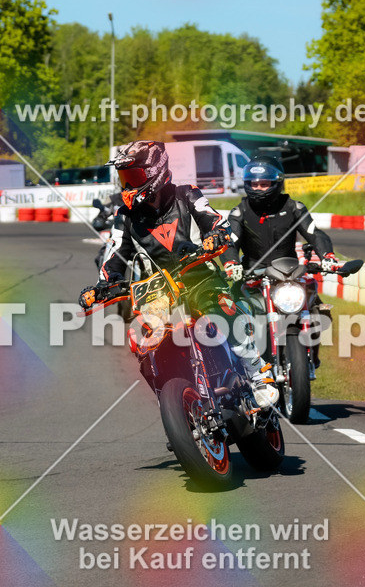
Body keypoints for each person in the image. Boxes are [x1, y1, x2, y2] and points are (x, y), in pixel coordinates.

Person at [79, 140, 278, 408]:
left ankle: (257, 374)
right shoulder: (124, 216)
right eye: (124, 178)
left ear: (155, 173)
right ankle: (174, 406)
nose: (127, 186)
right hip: (159, 292)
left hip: (201, 277)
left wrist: (217, 236)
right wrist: (103, 286)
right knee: (139, 337)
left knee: (222, 308)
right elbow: (115, 256)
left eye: (133, 176)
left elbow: (215, 221)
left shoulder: (187, 195)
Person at [226, 155, 339, 366]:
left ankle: (311, 356)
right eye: (254, 184)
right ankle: (239, 365)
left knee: (318, 310)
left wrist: (327, 257)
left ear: (277, 183)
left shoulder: (294, 207)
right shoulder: (239, 212)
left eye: (264, 184)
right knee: (230, 316)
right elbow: (230, 242)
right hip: (252, 279)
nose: (258, 188)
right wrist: (231, 264)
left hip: (290, 276)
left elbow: (315, 234)